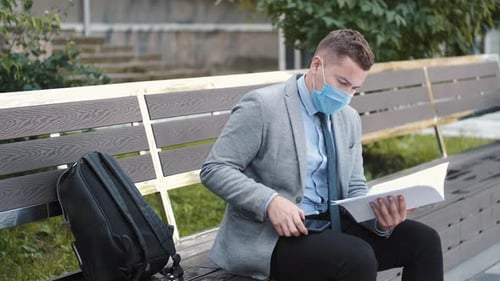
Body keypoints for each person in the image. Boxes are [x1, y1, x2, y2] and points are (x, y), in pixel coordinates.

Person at [200, 29, 443, 281]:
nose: (347, 95)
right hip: (274, 234)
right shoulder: (263, 106)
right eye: (342, 83)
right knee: (356, 257)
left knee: (424, 241)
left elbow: (354, 185)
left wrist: (380, 220)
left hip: (333, 223)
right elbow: (215, 168)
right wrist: (269, 201)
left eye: (355, 88)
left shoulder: (347, 118)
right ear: (317, 65)